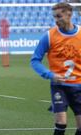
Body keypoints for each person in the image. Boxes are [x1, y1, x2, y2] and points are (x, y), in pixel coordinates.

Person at [31, 2, 81, 135]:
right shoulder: (49, 36)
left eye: (59, 16)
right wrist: (49, 74)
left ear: (69, 14)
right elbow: (35, 60)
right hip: (59, 86)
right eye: (54, 17)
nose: (56, 20)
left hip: (78, 86)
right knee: (61, 122)